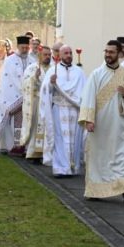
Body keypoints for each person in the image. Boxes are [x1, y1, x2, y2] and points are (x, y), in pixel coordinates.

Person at [78, 41, 124, 201]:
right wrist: (88, 119)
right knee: (100, 158)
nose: (107, 55)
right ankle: (96, 191)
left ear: (119, 54)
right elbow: (87, 97)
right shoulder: (96, 74)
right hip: (101, 126)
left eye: (111, 52)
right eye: (106, 51)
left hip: (121, 126)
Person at [39, 45, 86, 177]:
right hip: (59, 109)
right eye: (66, 53)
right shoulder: (53, 70)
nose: (69, 55)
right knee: (59, 138)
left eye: (70, 53)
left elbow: (85, 91)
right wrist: (50, 83)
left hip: (75, 110)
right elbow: (45, 90)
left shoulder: (79, 72)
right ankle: (60, 168)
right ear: (59, 55)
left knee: (75, 139)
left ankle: (73, 166)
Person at [0, 36, 31, 155]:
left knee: (24, 123)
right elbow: (10, 79)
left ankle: (21, 146)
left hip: (28, 98)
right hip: (11, 96)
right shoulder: (10, 60)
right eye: (23, 47)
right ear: (18, 47)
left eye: (27, 47)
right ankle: (8, 146)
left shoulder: (32, 60)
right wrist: (23, 92)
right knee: (10, 122)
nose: (25, 49)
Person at [20, 45, 52, 163]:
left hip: (49, 103)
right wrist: (35, 77)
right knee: (36, 128)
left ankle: (46, 153)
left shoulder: (54, 68)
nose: (48, 57)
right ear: (39, 55)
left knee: (47, 128)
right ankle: (34, 153)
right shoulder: (32, 68)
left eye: (49, 55)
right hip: (37, 102)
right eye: (45, 54)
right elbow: (24, 84)